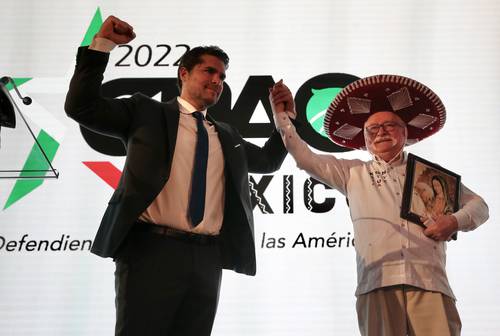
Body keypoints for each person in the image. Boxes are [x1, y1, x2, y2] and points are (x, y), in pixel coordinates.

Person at [65, 16, 288, 336]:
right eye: (208, 71)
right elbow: (81, 107)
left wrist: (284, 120)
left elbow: (267, 161)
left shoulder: (226, 135)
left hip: (207, 257)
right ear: (184, 73)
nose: (217, 80)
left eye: (222, 76)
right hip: (151, 251)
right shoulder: (147, 113)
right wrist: (102, 47)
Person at [269, 75, 489, 336]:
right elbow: (305, 158)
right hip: (377, 283)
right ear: (364, 140)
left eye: (390, 125)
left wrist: (453, 221)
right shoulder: (352, 173)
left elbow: (480, 206)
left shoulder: (429, 175)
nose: (381, 131)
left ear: (405, 133)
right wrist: (283, 119)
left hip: (430, 283)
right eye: (372, 129)